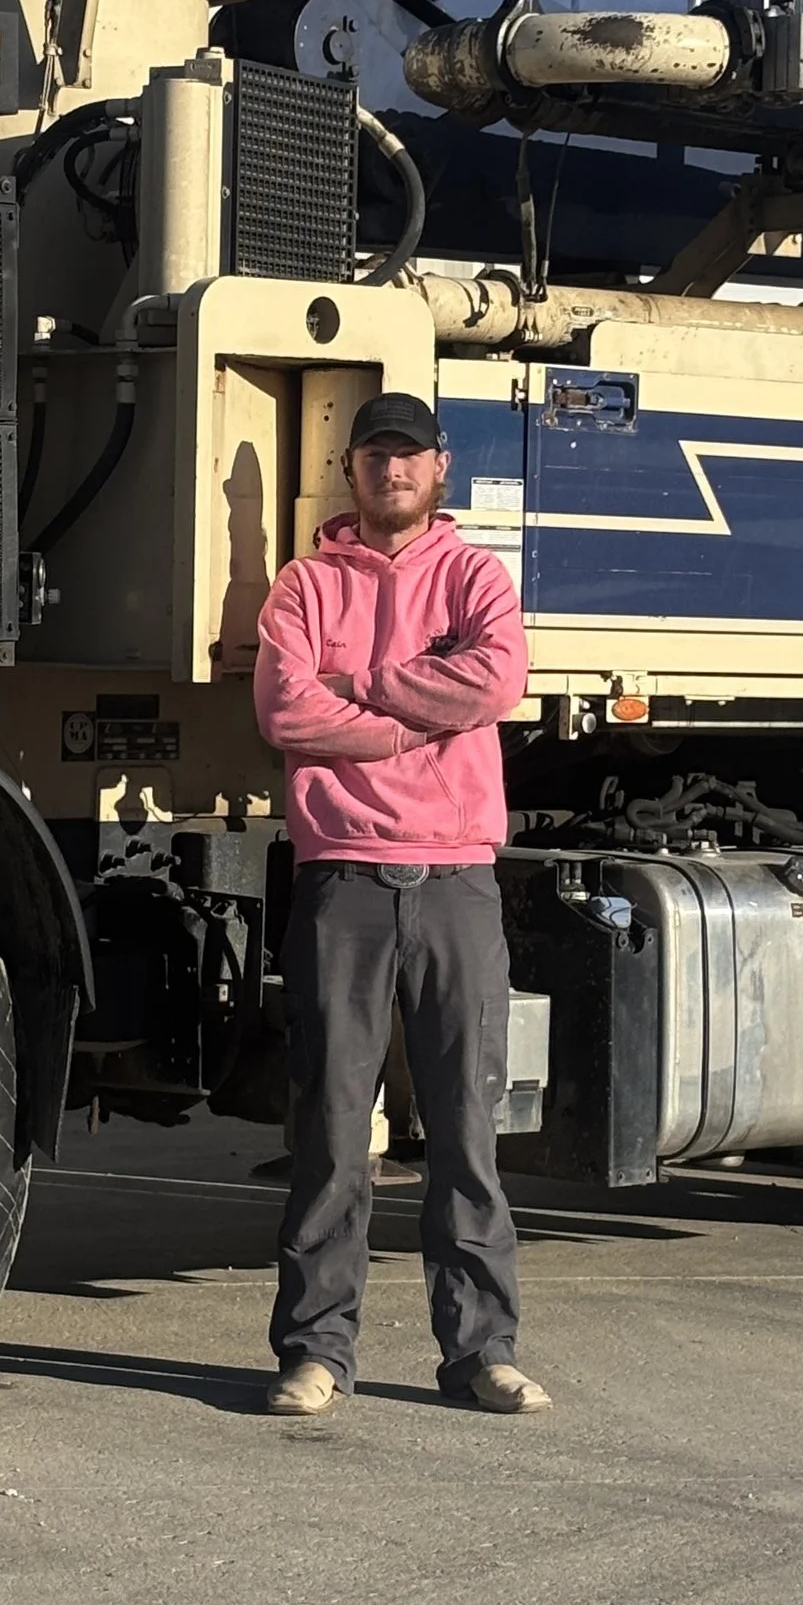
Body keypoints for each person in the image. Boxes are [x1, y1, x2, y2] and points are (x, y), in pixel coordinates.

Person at [252, 391, 550, 1419]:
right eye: (375, 455)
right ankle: (314, 1354)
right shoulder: (304, 584)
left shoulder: (474, 575)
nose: (391, 471)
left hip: (457, 879)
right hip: (339, 876)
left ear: (440, 466)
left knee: (466, 1130)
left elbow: (493, 681)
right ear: (351, 469)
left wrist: (362, 686)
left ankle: (479, 1355)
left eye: (408, 455)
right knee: (333, 1132)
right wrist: (404, 717)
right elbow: (286, 705)